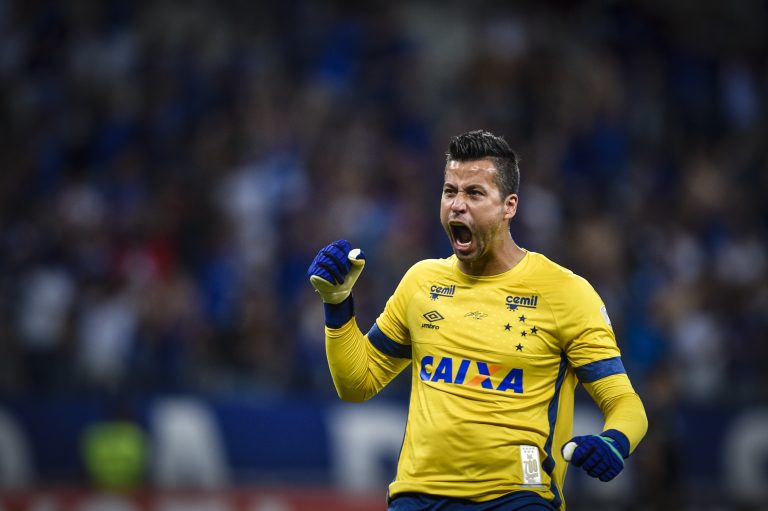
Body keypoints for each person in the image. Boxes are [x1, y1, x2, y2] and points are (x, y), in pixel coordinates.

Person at [307, 130, 647, 510]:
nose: (456, 205)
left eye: (474, 193)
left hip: (518, 497)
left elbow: (625, 403)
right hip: (417, 497)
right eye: (450, 191)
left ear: (509, 206)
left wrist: (615, 441)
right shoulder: (422, 282)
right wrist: (337, 304)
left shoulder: (566, 294)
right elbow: (357, 383)